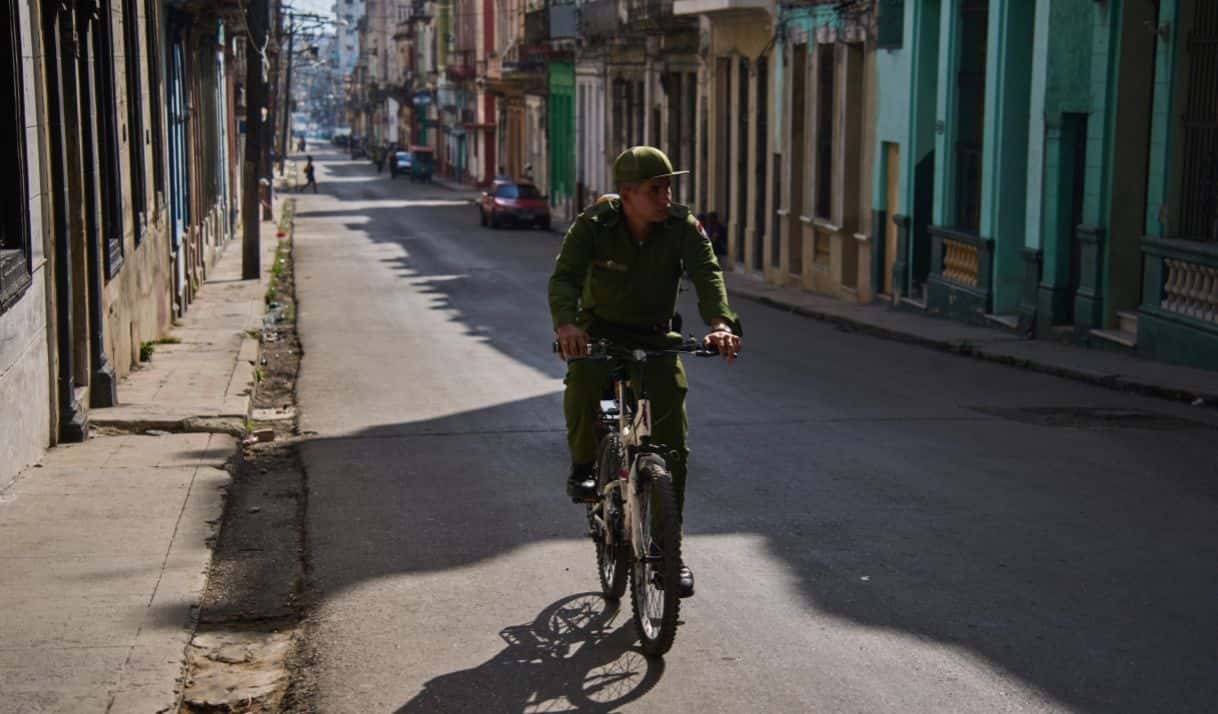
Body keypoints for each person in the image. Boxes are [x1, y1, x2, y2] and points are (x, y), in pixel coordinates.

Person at [548, 146, 743, 599]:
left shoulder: (681, 226)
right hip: (599, 332)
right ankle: (584, 467)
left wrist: (719, 324)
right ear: (627, 193)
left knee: (672, 441)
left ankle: (667, 552)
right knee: (583, 382)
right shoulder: (594, 225)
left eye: (668, 187)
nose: (665, 196)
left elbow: (707, 272)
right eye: (655, 189)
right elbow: (565, 277)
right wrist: (567, 324)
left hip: (655, 337)